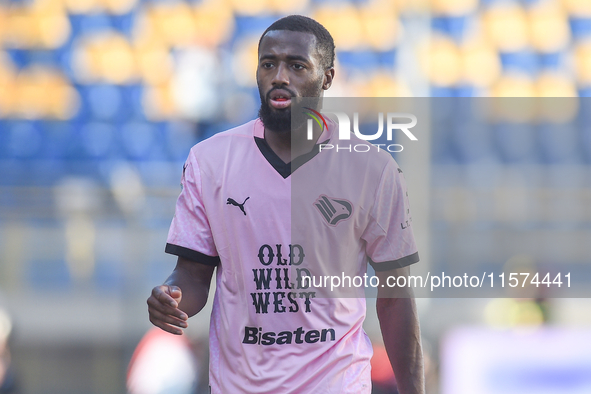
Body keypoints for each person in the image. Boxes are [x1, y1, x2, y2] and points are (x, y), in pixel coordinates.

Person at [147, 15, 425, 394]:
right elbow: (193, 276)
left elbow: (395, 298)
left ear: (326, 78)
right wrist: (172, 297)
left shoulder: (372, 169)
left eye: (297, 65)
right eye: (268, 63)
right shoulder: (209, 161)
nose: (280, 75)